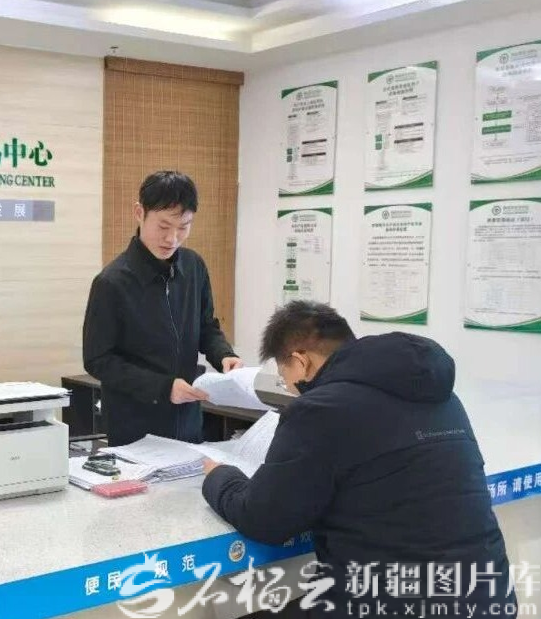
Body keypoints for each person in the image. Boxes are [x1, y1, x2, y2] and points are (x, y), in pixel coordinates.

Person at [202, 301, 516, 617]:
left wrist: (221, 477)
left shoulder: (319, 409)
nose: (291, 389)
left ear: (301, 361)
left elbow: (264, 519)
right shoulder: (443, 397)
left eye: (285, 378)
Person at [82, 170, 242, 446]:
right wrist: (163, 388)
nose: (172, 238)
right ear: (139, 213)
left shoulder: (193, 267)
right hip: (135, 426)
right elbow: (98, 360)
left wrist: (224, 355)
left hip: (188, 420)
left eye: (183, 227)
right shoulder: (112, 282)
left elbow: (206, 327)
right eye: (164, 226)